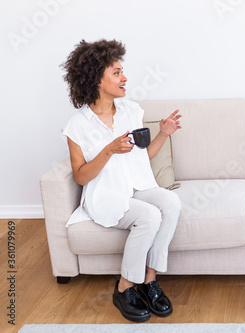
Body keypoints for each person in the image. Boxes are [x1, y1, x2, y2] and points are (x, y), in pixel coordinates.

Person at [61, 39, 182, 322]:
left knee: (171, 203)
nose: (124, 77)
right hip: (106, 195)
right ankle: (125, 286)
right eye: (116, 72)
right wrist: (109, 150)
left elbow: (141, 157)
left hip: (138, 187)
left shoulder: (131, 110)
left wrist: (164, 133)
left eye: (122, 71)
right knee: (150, 217)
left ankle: (149, 280)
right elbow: (80, 176)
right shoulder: (77, 126)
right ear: (95, 79)